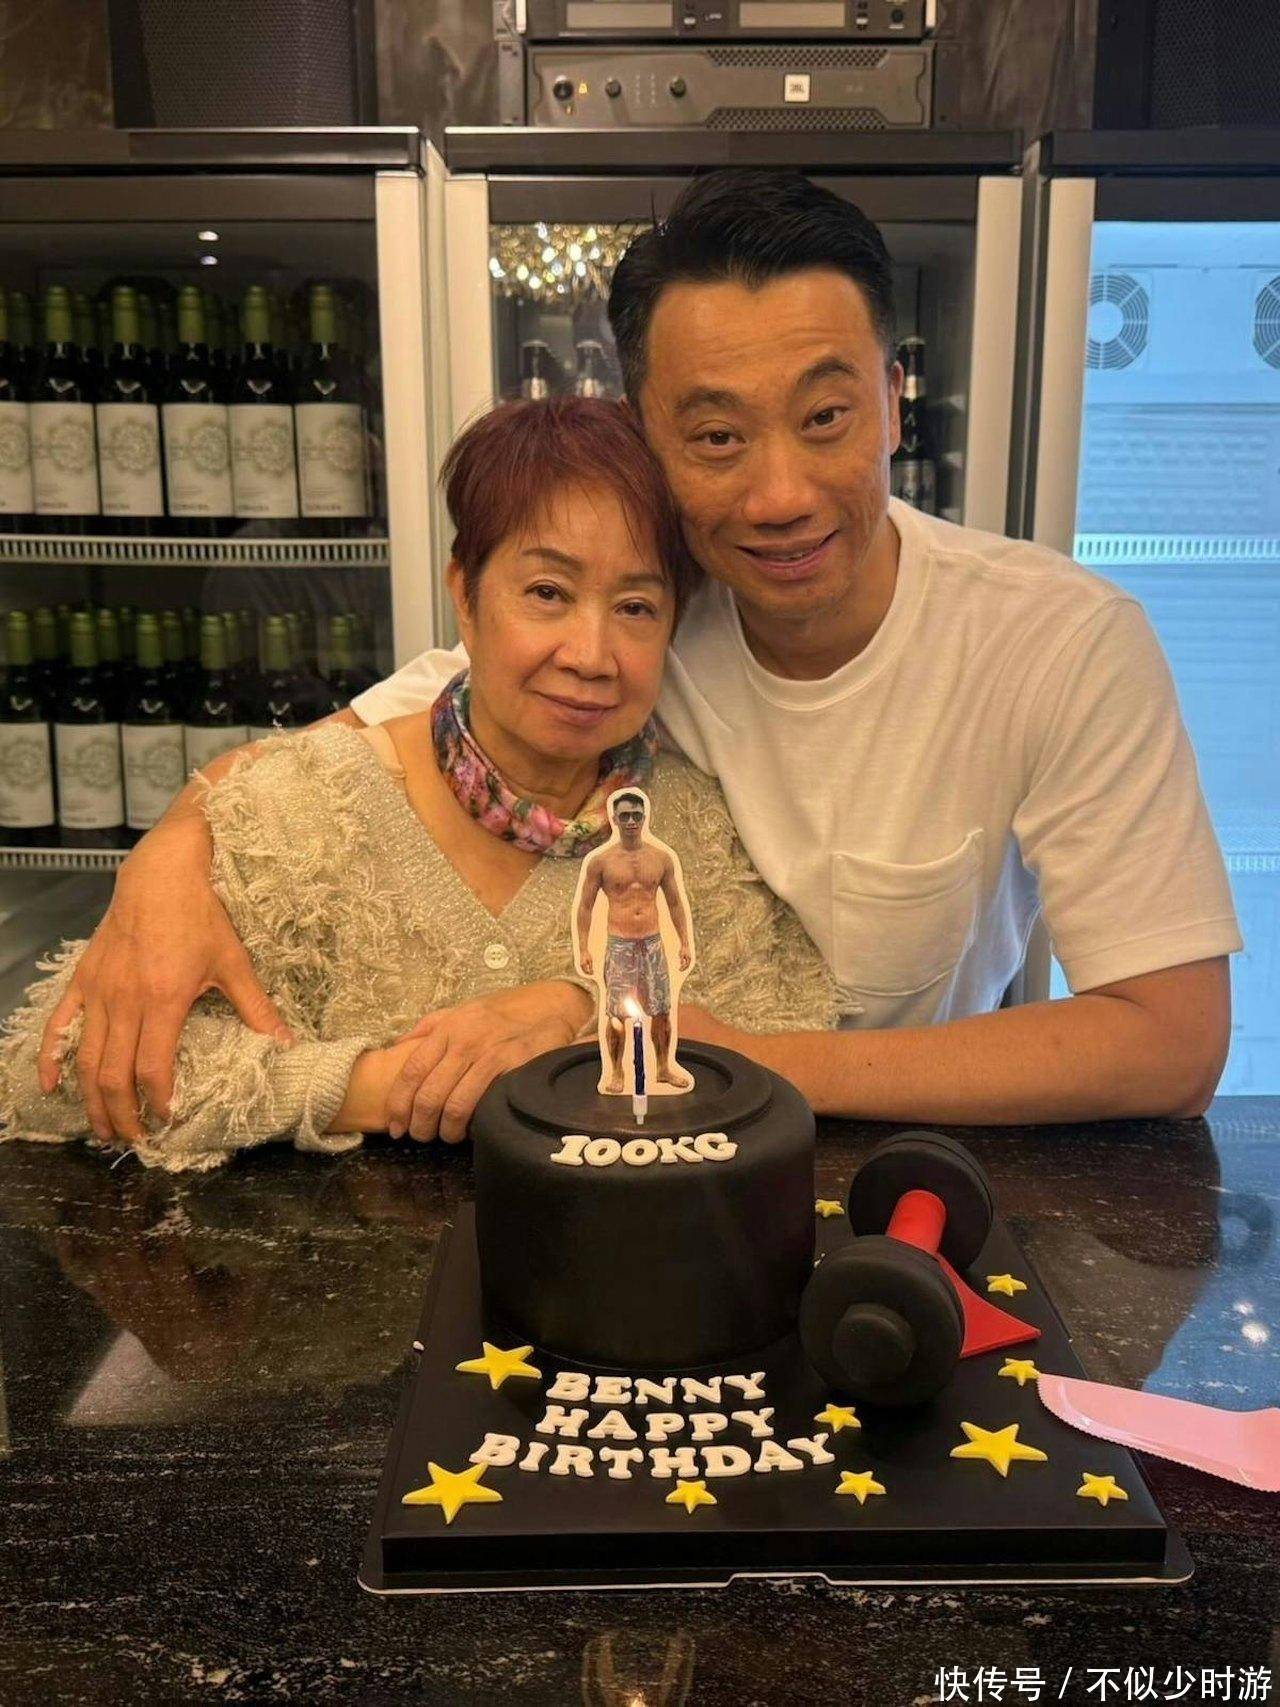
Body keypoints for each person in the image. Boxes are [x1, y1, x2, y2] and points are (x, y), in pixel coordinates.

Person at [41, 169, 1241, 1138]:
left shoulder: (1056, 642)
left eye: (824, 418)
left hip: (890, 1168)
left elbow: (1169, 1041)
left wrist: (732, 1054)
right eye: (715, 435)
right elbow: (333, 759)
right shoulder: (640, 615)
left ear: (890, 401)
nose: (778, 494)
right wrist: (168, 861)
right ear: (646, 436)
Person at [0, 398, 837, 1169]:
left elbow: (783, 1041)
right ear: (465, 595)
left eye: (636, 608)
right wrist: (379, 1086)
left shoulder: (694, 830)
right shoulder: (302, 811)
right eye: (547, 592)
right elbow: (56, 1070)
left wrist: (580, 1013)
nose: (590, 654)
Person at [575, 788, 693, 1092]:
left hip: (652, 944)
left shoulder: (661, 858)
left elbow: (675, 903)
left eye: (636, 815)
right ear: (614, 819)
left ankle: (664, 1067)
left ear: (644, 817)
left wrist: (684, 942)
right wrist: (584, 948)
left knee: (661, 1010)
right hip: (620, 945)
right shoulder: (601, 861)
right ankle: (616, 1072)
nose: (631, 821)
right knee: (617, 1013)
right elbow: (585, 906)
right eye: (625, 815)